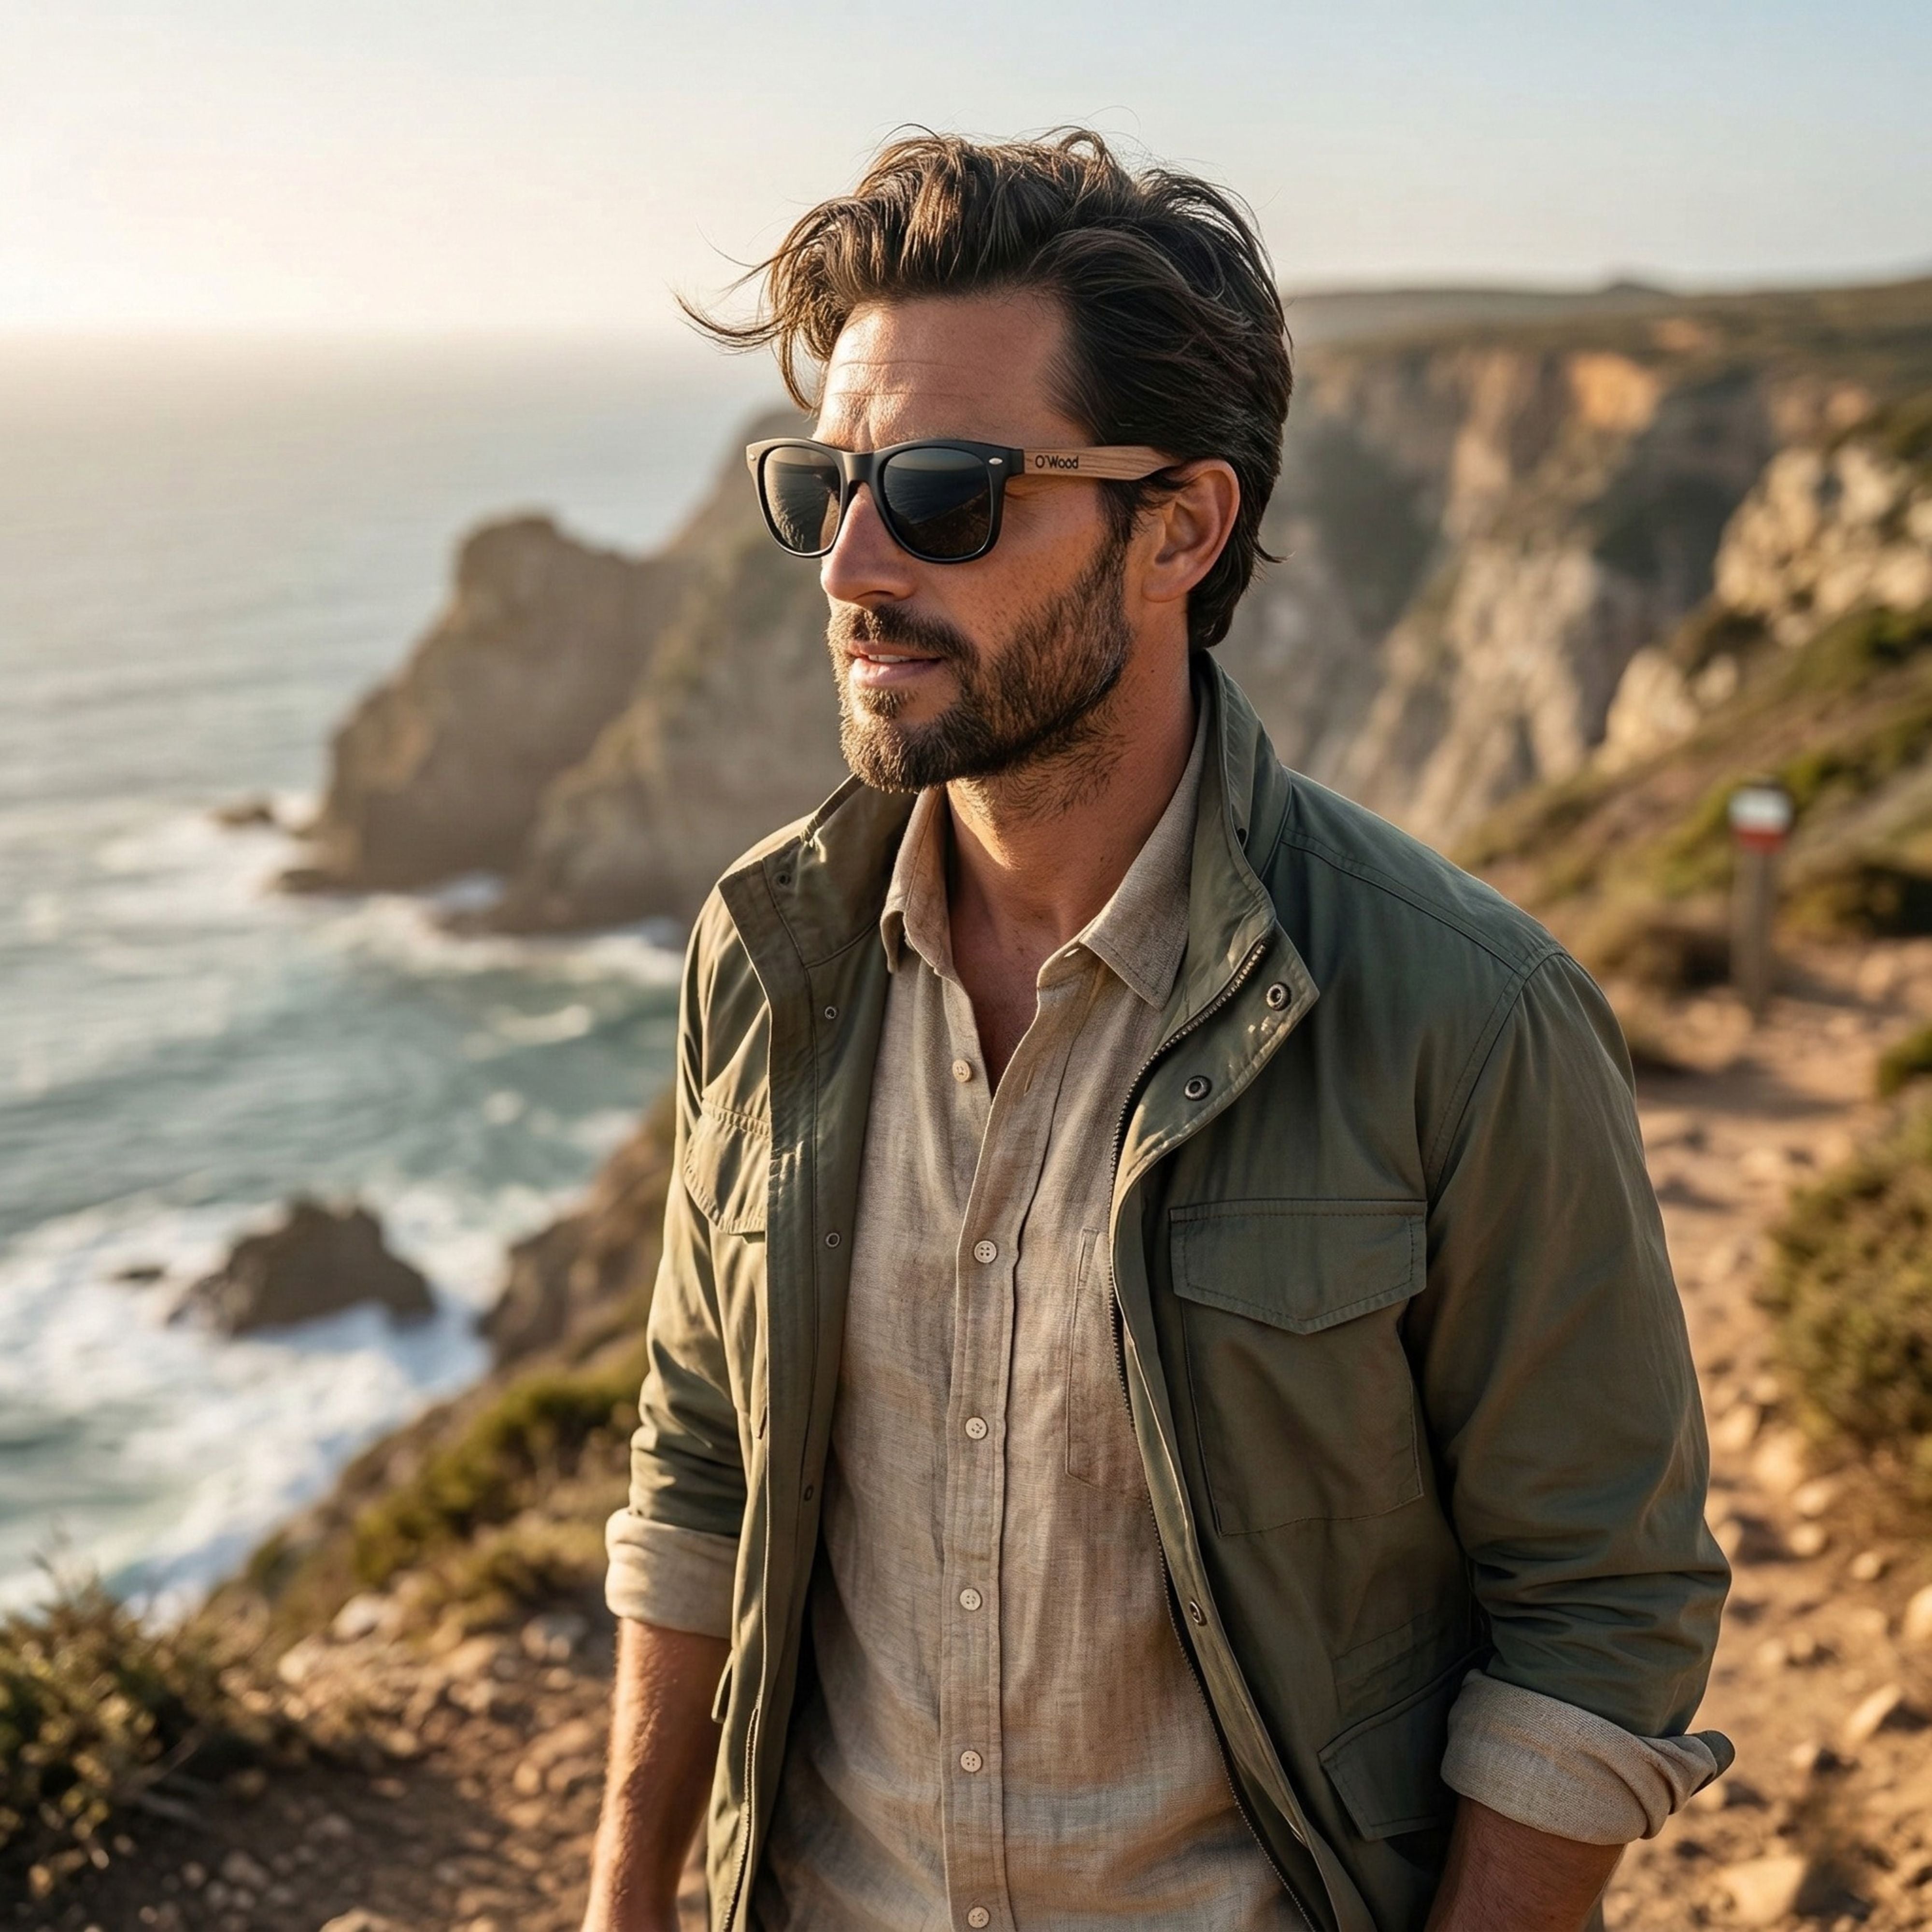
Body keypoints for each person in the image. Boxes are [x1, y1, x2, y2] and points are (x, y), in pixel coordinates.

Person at [582, 130, 1729, 1932]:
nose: (851, 567)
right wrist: (626, 1899)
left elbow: (1598, 1606)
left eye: (946, 492)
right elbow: (701, 1456)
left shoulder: (1467, 1015)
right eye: (826, 486)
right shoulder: (766, 952)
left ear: (1179, 526)